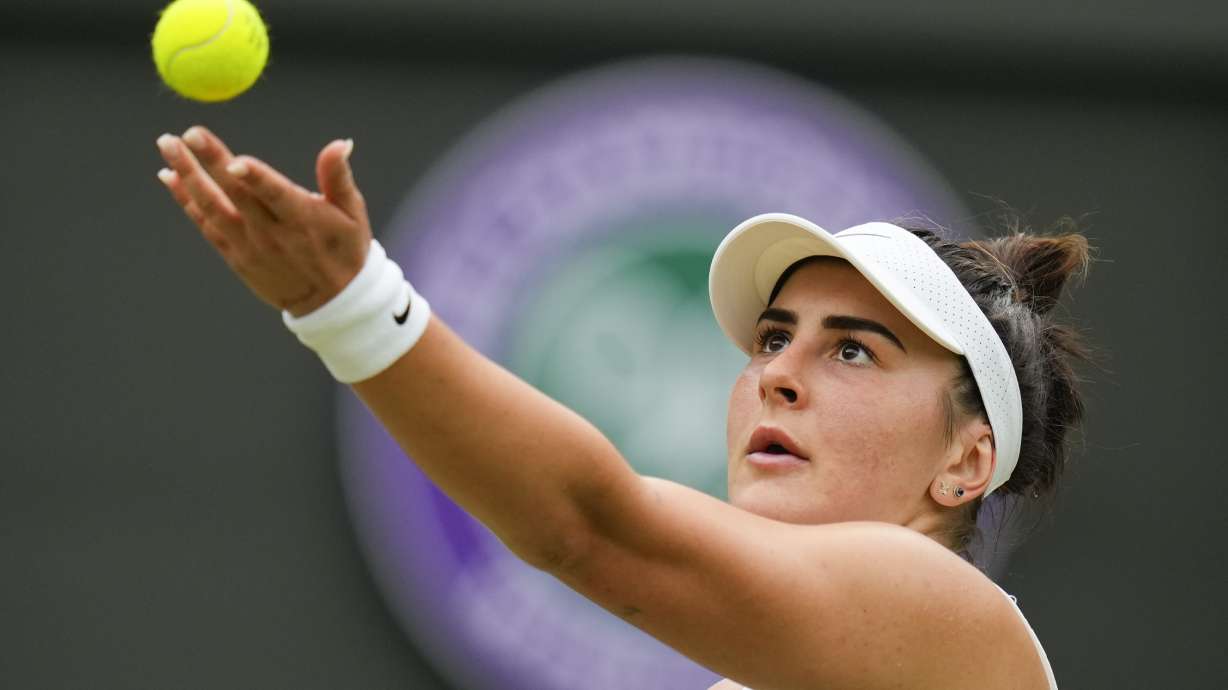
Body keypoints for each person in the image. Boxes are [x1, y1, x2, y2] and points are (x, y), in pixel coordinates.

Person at [155, 125, 1091, 690]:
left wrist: (354, 309)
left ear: (967, 461)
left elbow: (590, 528)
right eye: (772, 339)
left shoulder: (945, 619)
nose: (777, 375)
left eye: (853, 350)